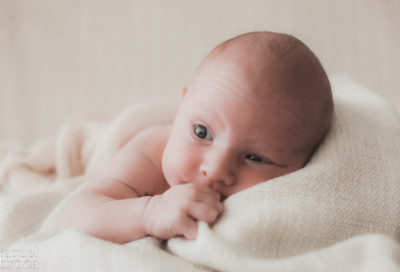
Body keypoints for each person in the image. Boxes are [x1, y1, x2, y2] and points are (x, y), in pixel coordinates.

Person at [59, 31, 333, 244]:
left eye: (254, 157)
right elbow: (75, 216)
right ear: (182, 107)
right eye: (201, 132)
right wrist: (148, 212)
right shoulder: (149, 152)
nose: (214, 169)